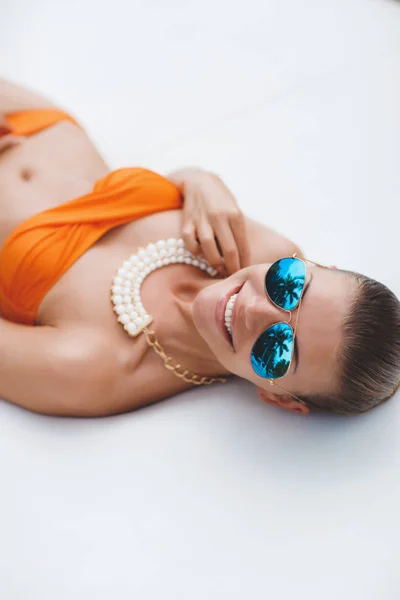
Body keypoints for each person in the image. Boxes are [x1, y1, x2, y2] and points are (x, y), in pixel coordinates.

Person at [0, 78, 399, 418]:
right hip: (35, 120)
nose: (256, 307)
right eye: (292, 285)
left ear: (281, 398)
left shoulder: (92, 366)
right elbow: (159, 194)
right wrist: (199, 181)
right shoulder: (265, 248)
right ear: (314, 264)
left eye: (278, 349)